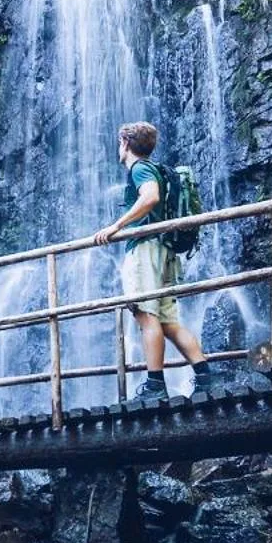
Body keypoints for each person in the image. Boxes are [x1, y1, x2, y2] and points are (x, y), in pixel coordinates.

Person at [93, 121, 210, 399]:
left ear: (125, 143)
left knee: (146, 316)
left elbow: (150, 197)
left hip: (146, 249)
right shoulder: (157, 168)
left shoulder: (140, 168)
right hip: (165, 249)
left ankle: (155, 385)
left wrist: (116, 226)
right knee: (168, 322)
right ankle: (205, 376)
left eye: (119, 143)